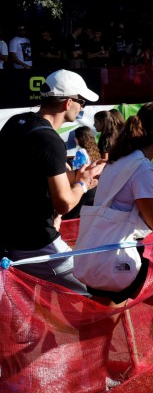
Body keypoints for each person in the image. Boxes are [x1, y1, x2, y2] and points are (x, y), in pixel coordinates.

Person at [72, 102, 153, 362]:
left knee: (99, 334)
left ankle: (90, 379)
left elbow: (140, 204)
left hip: (98, 258)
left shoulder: (120, 161)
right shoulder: (142, 167)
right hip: (117, 262)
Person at [0, 69, 105, 294]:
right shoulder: (50, 141)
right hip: (37, 243)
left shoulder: (16, 122)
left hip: (9, 240)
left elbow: (32, 177)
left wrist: (78, 175)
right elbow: (64, 204)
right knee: (97, 293)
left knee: (24, 311)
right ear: (68, 103)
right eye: (82, 101)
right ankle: (90, 329)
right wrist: (83, 185)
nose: (83, 107)